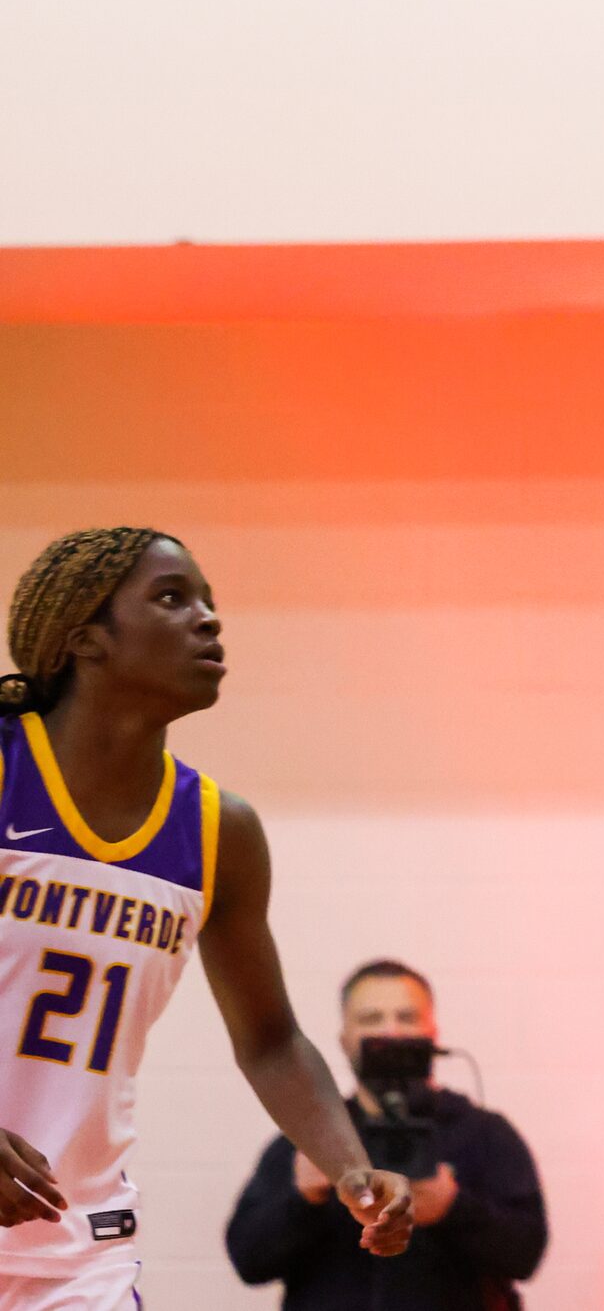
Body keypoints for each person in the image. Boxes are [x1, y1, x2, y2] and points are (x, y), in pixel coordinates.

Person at [0, 528, 412, 1309]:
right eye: (171, 598)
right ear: (86, 639)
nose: (209, 619)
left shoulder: (220, 829)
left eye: (210, 602)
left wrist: (348, 1164)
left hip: (77, 1248)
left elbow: (271, 1040)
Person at [226, 957, 548, 1308]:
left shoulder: (485, 1135)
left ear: (432, 1034)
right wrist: (303, 1198)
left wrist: (452, 1209)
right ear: (345, 1040)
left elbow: (526, 1255)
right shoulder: (312, 1139)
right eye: (371, 1019)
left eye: (406, 1017)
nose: (390, 1033)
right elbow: (249, 1261)